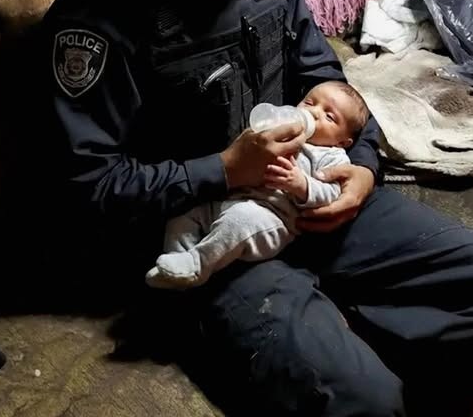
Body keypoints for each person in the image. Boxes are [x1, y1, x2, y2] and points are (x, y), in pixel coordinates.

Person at [15, 0, 473, 416]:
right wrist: (226, 170)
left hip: (308, 195)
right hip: (213, 240)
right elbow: (87, 189)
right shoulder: (99, 20)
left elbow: (326, 80)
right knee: (366, 401)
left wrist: (363, 167)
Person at [145, 81, 368, 289]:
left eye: (329, 116)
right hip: (233, 196)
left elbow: (333, 193)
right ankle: (175, 262)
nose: (314, 112)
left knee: (238, 221)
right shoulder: (284, 128)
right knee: (184, 213)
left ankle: (198, 264)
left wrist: (301, 185)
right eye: (309, 102)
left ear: (343, 141)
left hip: (270, 218)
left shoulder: (332, 156)